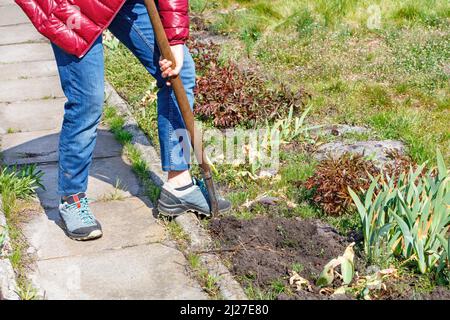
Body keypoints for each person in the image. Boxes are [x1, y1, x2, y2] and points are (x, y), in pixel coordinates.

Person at [16, 0, 230, 241]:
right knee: (87, 98)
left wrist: (176, 40)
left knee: (181, 72)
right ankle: (72, 198)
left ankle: (179, 184)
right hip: (71, 4)